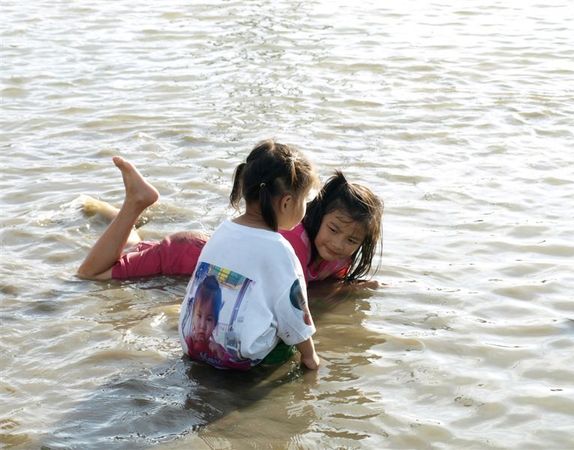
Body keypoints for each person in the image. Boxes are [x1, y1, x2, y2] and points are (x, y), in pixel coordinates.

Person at [79, 139, 321, 370]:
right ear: (287, 202)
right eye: (305, 200)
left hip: (193, 346)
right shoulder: (280, 248)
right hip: (241, 362)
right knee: (288, 336)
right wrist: (310, 356)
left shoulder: (223, 231)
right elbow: (294, 310)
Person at [78, 172, 384, 286]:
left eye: (352, 240)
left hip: (204, 252)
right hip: (184, 256)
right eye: (333, 229)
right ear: (317, 214)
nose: (339, 243)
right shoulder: (289, 245)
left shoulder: (338, 256)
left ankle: (112, 213)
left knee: (133, 248)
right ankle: (134, 204)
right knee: (91, 275)